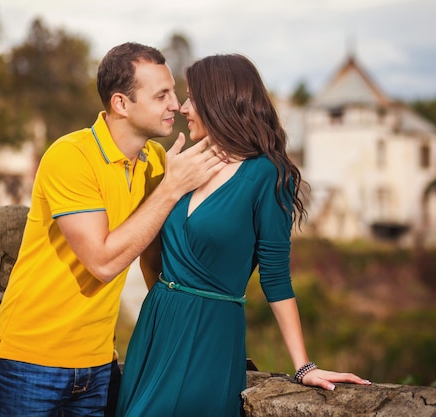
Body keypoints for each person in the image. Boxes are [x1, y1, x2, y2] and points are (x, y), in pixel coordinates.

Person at [115, 54, 371, 417]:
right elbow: (152, 251)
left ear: (219, 103)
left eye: (193, 99)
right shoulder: (185, 162)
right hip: (156, 325)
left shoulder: (267, 175)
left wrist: (304, 365)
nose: (184, 108)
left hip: (210, 333)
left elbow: (276, 277)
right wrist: (167, 185)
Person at [0, 42, 227, 417]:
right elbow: (102, 262)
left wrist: (188, 335)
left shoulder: (157, 161)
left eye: (174, 92)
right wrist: (172, 188)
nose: (176, 105)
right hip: (30, 361)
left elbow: (152, 259)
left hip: (99, 365)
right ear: (121, 104)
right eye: (161, 95)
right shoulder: (71, 157)